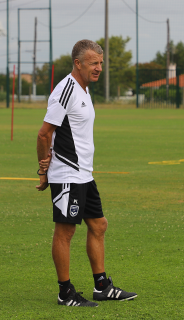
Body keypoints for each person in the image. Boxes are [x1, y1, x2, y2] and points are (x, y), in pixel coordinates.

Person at [36, 39, 137, 307]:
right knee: (66, 231)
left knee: (99, 225)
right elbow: (44, 133)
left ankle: (102, 286)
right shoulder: (66, 90)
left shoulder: (84, 89)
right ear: (78, 64)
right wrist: (44, 167)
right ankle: (65, 292)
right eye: (94, 63)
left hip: (84, 174)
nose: (99, 68)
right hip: (67, 174)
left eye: (101, 63)